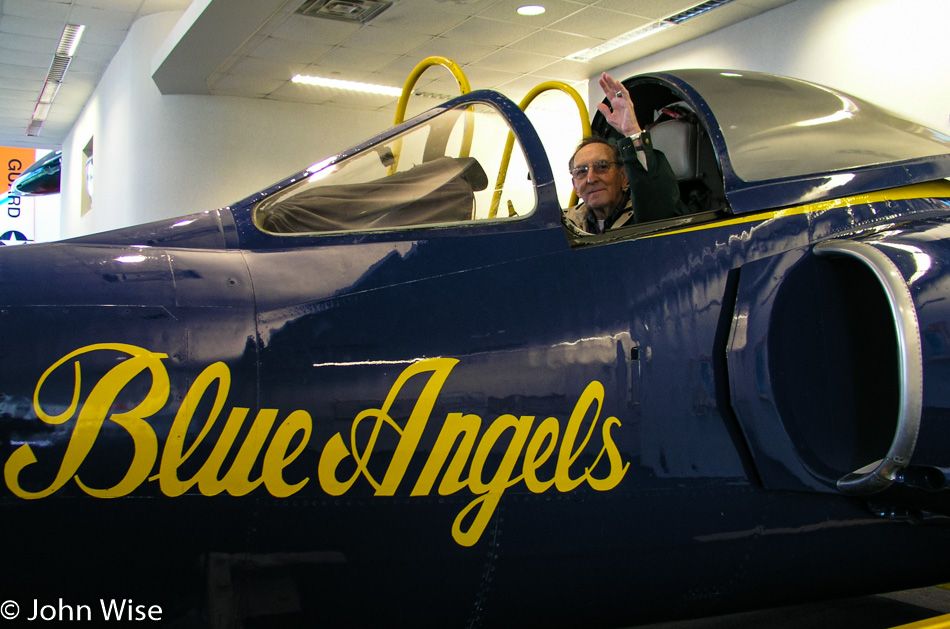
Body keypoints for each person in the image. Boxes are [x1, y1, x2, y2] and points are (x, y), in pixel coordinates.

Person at [563, 73, 688, 234]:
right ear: (576, 188)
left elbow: (656, 201)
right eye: (581, 171)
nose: (591, 178)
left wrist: (632, 132)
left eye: (602, 167)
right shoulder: (566, 227)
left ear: (624, 177)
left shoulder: (649, 213)